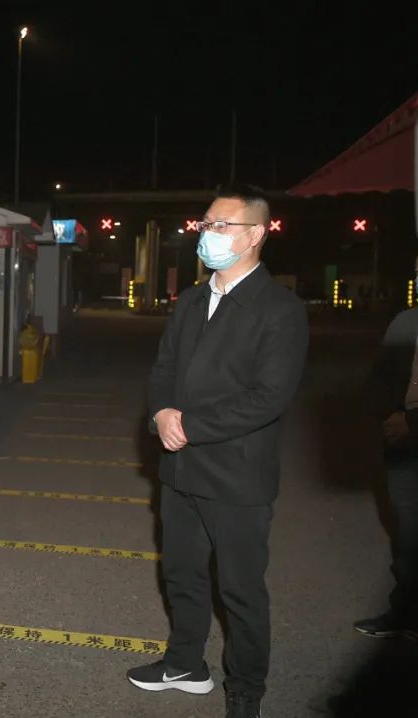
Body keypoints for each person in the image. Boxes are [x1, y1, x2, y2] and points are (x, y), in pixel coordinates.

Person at [127, 184, 308, 718]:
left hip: (237, 475)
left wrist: (190, 425)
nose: (208, 234)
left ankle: (246, 688)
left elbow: (269, 396)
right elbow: (162, 370)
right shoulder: (189, 301)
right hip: (180, 467)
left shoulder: (280, 309)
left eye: (221, 225)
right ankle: (186, 664)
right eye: (205, 224)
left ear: (255, 235)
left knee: (240, 590)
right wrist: (162, 413)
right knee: (182, 574)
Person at [354, 305, 418, 638]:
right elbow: (380, 377)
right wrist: (387, 414)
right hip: (404, 446)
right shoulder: (407, 322)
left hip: (410, 428)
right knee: (408, 533)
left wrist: (411, 422)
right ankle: (406, 613)